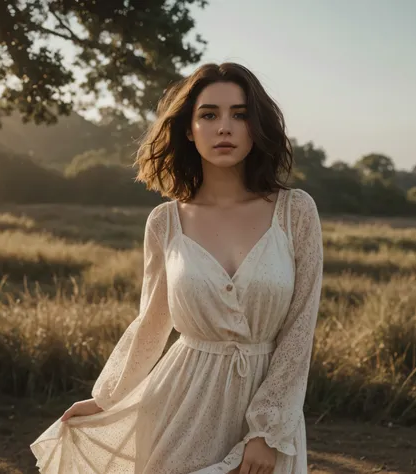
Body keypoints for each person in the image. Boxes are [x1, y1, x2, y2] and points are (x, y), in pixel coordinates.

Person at [30, 62, 323, 474]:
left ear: (257, 127)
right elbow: (151, 322)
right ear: (189, 129)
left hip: (267, 416)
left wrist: (266, 430)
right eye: (209, 114)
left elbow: (299, 329)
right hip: (178, 404)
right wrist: (109, 397)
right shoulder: (165, 222)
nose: (225, 127)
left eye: (240, 114)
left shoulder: (296, 212)